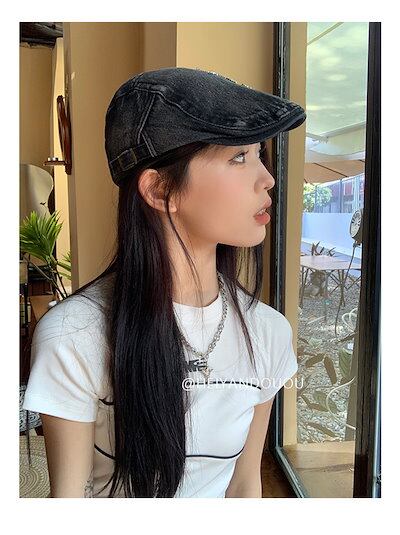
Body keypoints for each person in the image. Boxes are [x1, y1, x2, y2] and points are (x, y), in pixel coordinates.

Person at [22, 66, 306, 498]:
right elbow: (70, 501)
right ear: (160, 191)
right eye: (239, 157)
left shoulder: (267, 332)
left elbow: (244, 485)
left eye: (259, 154)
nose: (267, 178)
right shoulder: (75, 335)